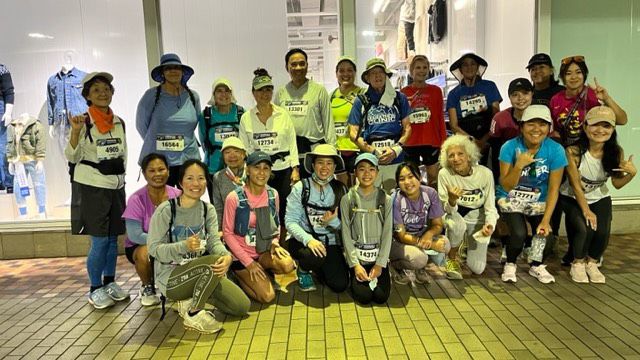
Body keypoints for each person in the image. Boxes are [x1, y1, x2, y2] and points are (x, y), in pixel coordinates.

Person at [147, 160, 250, 334]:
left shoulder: (206, 209)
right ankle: (194, 312)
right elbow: (154, 249)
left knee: (241, 306)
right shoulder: (166, 210)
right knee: (212, 262)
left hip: (200, 271)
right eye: (190, 178)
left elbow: (213, 241)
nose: (196, 184)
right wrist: (183, 246)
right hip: (171, 278)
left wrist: (226, 256)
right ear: (180, 182)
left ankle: (193, 295)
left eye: (201, 178)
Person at [65, 72, 129, 309]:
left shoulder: (119, 122)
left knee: (113, 239)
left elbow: (123, 154)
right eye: (96, 90)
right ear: (87, 96)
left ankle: (110, 282)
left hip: (115, 187)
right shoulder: (82, 122)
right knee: (100, 241)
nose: (103, 93)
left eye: (106, 89)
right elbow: (71, 156)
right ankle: (94, 288)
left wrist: (122, 181)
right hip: (93, 188)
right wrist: (74, 132)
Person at [559, 106, 636, 283]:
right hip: (572, 196)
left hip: (599, 195)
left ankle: (591, 263)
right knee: (584, 229)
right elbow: (575, 186)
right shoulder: (573, 152)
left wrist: (632, 174)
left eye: (606, 126)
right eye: (595, 125)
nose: (600, 130)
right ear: (585, 127)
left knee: (602, 231)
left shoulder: (616, 152)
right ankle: (577, 263)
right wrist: (586, 210)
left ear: (613, 129)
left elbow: (616, 184)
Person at [496, 105, 567, 284]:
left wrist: (545, 220)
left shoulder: (555, 150)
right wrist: (519, 165)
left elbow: (553, 188)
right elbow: (505, 184)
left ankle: (536, 265)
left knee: (546, 233)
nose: (537, 129)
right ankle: (510, 263)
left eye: (543, 124)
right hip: (510, 197)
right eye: (531, 124)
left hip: (539, 199)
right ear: (521, 127)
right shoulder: (509, 147)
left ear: (549, 128)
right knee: (519, 233)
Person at [222, 151, 296, 303]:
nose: (262, 172)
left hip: (263, 251)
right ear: (248, 170)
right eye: (257, 168)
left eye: (266, 168)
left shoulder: (272, 194)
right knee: (267, 296)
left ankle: (263, 272)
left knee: (288, 264)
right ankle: (238, 276)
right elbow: (227, 234)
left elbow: (275, 224)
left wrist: (275, 242)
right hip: (242, 257)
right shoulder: (234, 198)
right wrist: (249, 264)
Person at [239, 68, 300, 232]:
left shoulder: (283, 114)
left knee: (285, 210)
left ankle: (283, 246)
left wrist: (295, 168)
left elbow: (292, 141)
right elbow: (245, 148)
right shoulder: (246, 118)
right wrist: (249, 171)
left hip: (283, 168)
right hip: (260, 171)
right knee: (262, 209)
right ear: (253, 93)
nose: (265, 94)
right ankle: (265, 247)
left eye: (268, 89)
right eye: (260, 90)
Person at [285, 144, 349, 292]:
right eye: (320, 162)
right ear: (313, 165)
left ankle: (320, 269)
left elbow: (346, 226)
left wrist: (334, 222)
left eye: (329, 163)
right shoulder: (301, 188)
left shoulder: (341, 189)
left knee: (340, 285)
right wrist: (309, 240)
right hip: (304, 242)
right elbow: (290, 221)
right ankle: (303, 269)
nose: (324, 167)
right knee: (313, 256)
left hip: (330, 242)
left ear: (334, 167)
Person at [122, 153, 180, 306]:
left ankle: (176, 287)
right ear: (144, 173)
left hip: (172, 243)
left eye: (161, 169)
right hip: (141, 244)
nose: (157, 174)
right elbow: (135, 235)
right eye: (152, 170)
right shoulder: (136, 199)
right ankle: (148, 287)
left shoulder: (178, 195)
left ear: (168, 171)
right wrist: (162, 242)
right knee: (145, 253)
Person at [136, 53, 202, 186]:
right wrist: (160, 142)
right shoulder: (151, 95)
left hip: (188, 158)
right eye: (168, 68)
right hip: (160, 162)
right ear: (162, 73)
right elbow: (142, 126)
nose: (173, 71)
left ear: (182, 72)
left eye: (177, 68)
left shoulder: (193, 96)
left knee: (189, 201)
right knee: (163, 203)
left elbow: (195, 124)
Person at [438, 135, 498, 278]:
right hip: (455, 214)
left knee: (477, 268)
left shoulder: (485, 174)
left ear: (469, 156)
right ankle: (451, 257)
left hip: (477, 216)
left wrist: (490, 225)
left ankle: (464, 247)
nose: (456, 159)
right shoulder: (444, 174)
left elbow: (490, 207)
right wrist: (452, 200)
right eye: (451, 155)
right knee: (456, 225)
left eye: (460, 154)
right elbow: (445, 209)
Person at [348, 58, 412, 192]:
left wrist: (396, 150)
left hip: (396, 159)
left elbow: (407, 128)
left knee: (395, 202)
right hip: (369, 161)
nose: (377, 76)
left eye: (380, 72)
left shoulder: (399, 98)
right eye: (373, 73)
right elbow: (353, 133)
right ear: (367, 78)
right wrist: (372, 151)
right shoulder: (361, 100)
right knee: (367, 200)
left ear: (386, 75)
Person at [340, 153, 392, 304]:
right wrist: (355, 265)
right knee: (364, 297)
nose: (367, 174)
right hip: (358, 258)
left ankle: (387, 272)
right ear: (355, 172)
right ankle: (351, 272)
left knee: (381, 297)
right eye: (362, 169)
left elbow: (388, 233)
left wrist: (380, 264)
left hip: (377, 259)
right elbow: (345, 233)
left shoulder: (385, 199)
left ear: (377, 172)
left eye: (371, 169)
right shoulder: (347, 199)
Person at [275, 48, 333, 177]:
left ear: (307, 65)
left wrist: (331, 153)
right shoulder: (281, 93)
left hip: (313, 154)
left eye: (302, 63)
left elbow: (329, 124)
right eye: (293, 64)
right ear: (287, 67)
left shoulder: (319, 91)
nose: (298, 68)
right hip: (290, 156)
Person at [391, 161, 449, 285]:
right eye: (402, 179)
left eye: (411, 176)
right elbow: (401, 236)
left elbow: (438, 224)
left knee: (445, 244)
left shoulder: (430, 194)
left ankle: (420, 269)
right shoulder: (396, 199)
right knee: (419, 258)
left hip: (420, 237)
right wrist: (430, 244)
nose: (407, 182)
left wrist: (429, 235)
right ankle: (396, 267)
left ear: (420, 177)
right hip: (397, 242)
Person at [550, 55, 627, 147]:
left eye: (578, 72)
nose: (573, 77)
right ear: (563, 77)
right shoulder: (556, 100)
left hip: (591, 149)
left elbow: (622, 120)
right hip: (567, 151)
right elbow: (555, 130)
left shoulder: (593, 95)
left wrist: (606, 99)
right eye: (568, 73)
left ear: (584, 74)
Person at [446, 53, 502, 166]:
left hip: (489, 138)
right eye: (465, 65)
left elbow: (497, 117)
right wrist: (473, 141)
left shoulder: (490, 86)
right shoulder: (453, 94)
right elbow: (453, 125)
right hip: (464, 141)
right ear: (460, 70)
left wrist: (484, 141)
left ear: (477, 67)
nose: (469, 67)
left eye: (472, 64)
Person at [400, 55, 447, 186]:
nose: (421, 71)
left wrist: (443, 141)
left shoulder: (436, 91)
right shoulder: (403, 92)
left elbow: (439, 117)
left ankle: (434, 204)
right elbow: (401, 120)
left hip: (431, 140)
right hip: (410, 141)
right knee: (412, 178)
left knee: (433, 177)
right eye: (418, 68)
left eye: (425, 67)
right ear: (411, 71)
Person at [199, 78, 244, 197]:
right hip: (213, 167)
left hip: (237, 167)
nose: (223, 94)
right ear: (213, 94)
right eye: (219, 91)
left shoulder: (240, 113)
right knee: (217, 204)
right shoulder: (206, 115)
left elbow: (245, 140)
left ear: (231, 93)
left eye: (227, 91)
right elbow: (203, 141)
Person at [489, 78, 534, 181]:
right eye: (515, 95)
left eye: (525, 93)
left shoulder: (543, 117)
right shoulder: (499, 119)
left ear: (532, 94)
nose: (520, 98)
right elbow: (495, 153)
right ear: (509, 97)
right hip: (508, 168)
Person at [330, 56, 366, 186]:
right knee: (343, 188)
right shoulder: (332, 96)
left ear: (355, 73)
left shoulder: (363, 93)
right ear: (336, 74)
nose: (346, 74)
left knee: (359, 188)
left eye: (349, 70)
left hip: (358, 148)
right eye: (341, 71)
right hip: (338, 149)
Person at [210, 136, 247, 236]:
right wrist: (219, 230)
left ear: (244, 154)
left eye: (236, 151)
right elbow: (218, 207)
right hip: (229, 228)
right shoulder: (218, 177)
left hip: (252, 226)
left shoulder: (254, 173)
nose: (232, 155)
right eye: (227, 152)